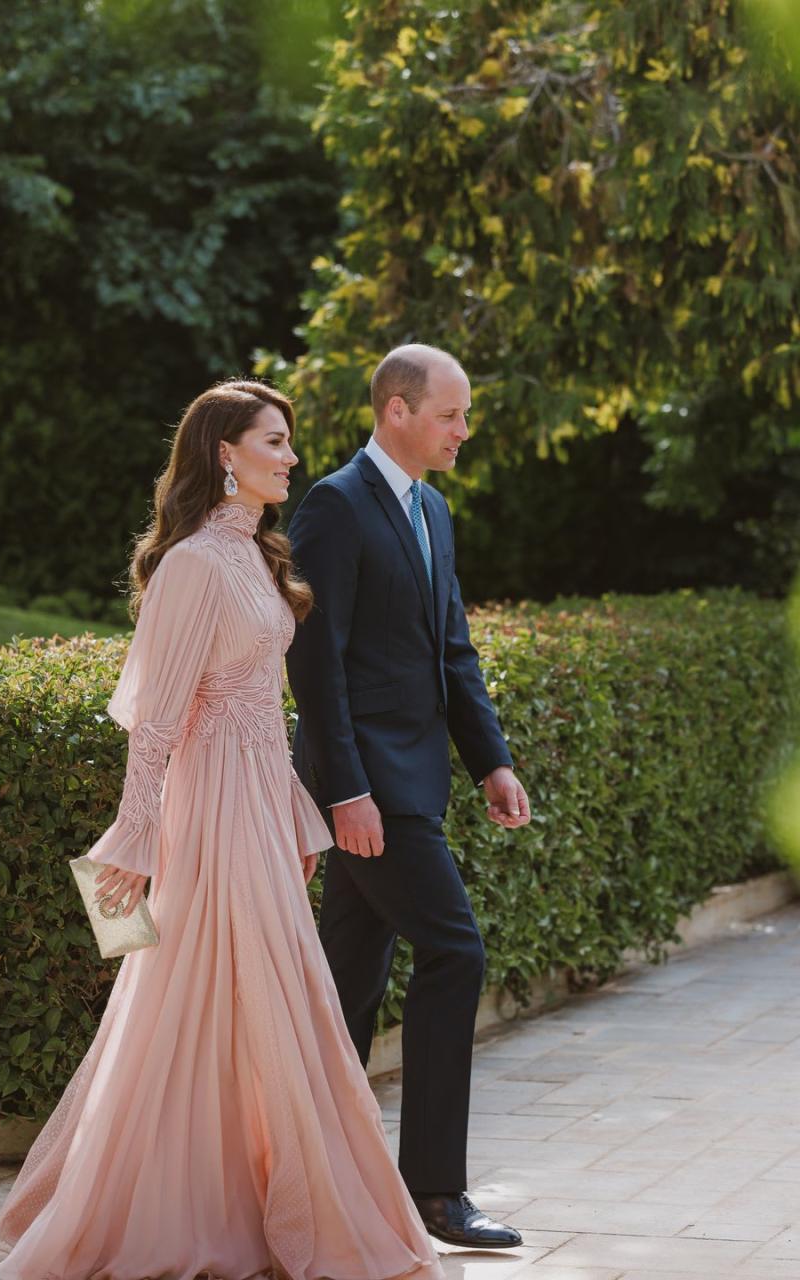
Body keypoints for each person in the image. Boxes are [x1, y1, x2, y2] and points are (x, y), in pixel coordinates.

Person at [0, 380, 444, 1280]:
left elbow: (258, 710)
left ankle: (250, 1195)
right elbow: (158, 718)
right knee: (214, 992)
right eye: (272, 442)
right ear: (223, 454)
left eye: (289, 441)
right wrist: (134, 837)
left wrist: (292, 812)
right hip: (209, 813)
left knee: (260, 996)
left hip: (258, 804)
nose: (290, 457)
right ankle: (169, 1209)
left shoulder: (255, 556)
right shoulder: (195, 563)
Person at [286, 344, 531, 1251]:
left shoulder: (433, 508)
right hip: (370, 791)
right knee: (456, 951)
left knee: (346, 989)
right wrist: (346, 790)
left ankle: (308, 1179)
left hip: (418, 779)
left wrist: (491, 762)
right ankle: (432, 1192)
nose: (463, 431)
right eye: (451, 415)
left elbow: (451, 651)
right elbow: (316, 659)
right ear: (397, 409)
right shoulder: (336, 506)